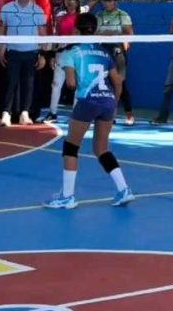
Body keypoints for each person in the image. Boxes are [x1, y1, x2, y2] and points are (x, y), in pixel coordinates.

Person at [44, 13, 134, 209]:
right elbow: (118, 81)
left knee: (71, 147)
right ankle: (124, 189)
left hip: (88, 101)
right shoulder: (104, 52)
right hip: (107, 101)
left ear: (76, 30)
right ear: (95, 30)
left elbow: (70, 83)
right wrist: (114, 102)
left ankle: (68, 196)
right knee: (101, 149)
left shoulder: (71, 52)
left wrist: (72, 72)